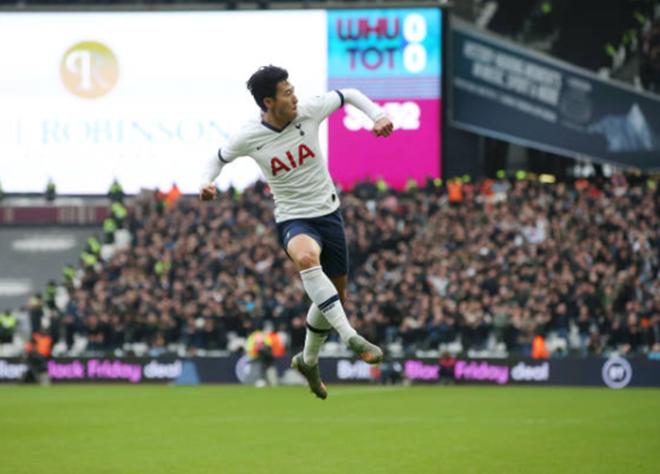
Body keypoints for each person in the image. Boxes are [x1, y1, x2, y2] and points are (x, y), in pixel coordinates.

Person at [200, 65, 393, 399]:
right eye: (287, 93)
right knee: (306, 258)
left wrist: (378, 116)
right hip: (293, 219)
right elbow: (217, 159)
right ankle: (350, 337)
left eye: (292, 90)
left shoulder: (309, 111)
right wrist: (206, 182)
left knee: (335, 296)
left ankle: (307, 360)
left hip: (329, 215)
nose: (294, 97)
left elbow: (350, 95)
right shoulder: (249, 135)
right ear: (268, 101)